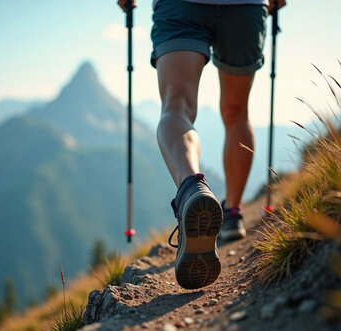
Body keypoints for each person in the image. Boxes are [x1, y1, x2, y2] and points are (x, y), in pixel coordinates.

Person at [117, 0, 286, 289]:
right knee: (236, 112)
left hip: (181, 6)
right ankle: (232, 213)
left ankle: (190, 188)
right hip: (244, 6)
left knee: (176, 106)